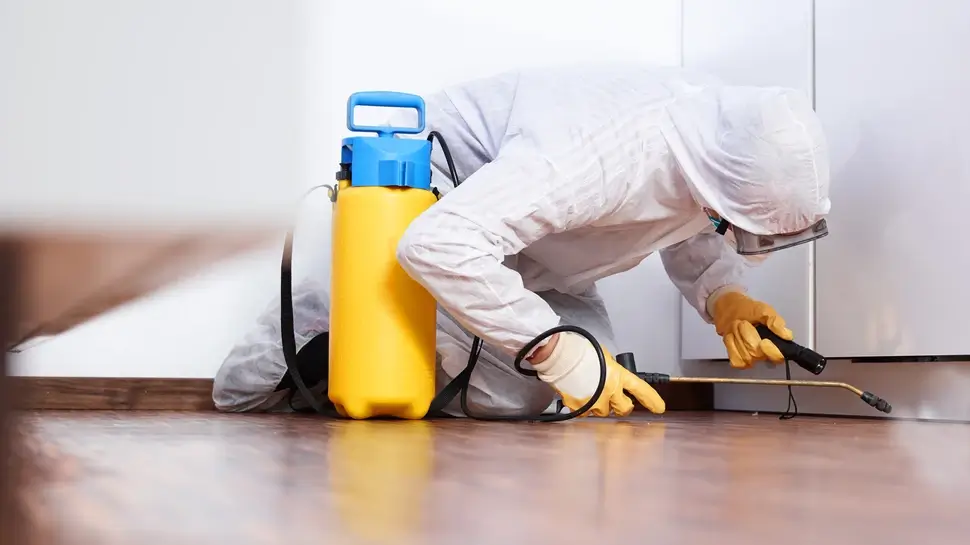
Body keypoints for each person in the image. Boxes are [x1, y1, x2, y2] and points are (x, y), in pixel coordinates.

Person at [213, 63, 831, 418]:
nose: (725, 229)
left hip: (537, 243)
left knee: (567, 395)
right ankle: (333, 328)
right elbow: (440, 244)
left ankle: (415, 350)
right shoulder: (597, 154)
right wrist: (557, 353)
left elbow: (688, 212)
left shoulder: (707, 143)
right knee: (542, 379)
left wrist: (722, 294)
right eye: (731, 223)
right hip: (441, 207)